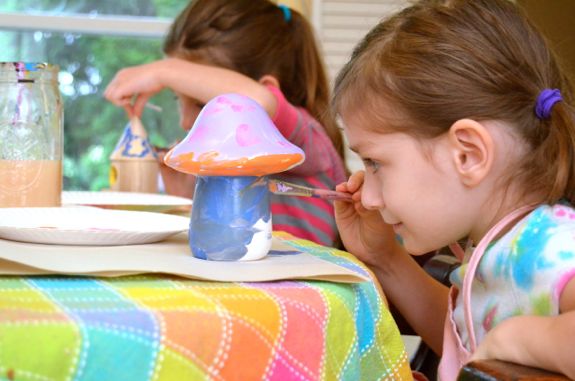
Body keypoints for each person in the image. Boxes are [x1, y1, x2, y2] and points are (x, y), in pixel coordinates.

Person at [331, 0, 575, 380]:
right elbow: (467, 344)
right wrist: (385, 259)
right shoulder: (499, 244)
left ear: (469, 155)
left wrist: (520, 339)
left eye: (376, 163)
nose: (369, 196)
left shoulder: (549, 246)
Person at [104, 0, 347, 247]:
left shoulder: (307, 137)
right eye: (179, 99)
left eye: (201, 104)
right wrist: (184, 194)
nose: (185, 121)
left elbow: (259, 102)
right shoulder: (222, 162)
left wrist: (164, 71)